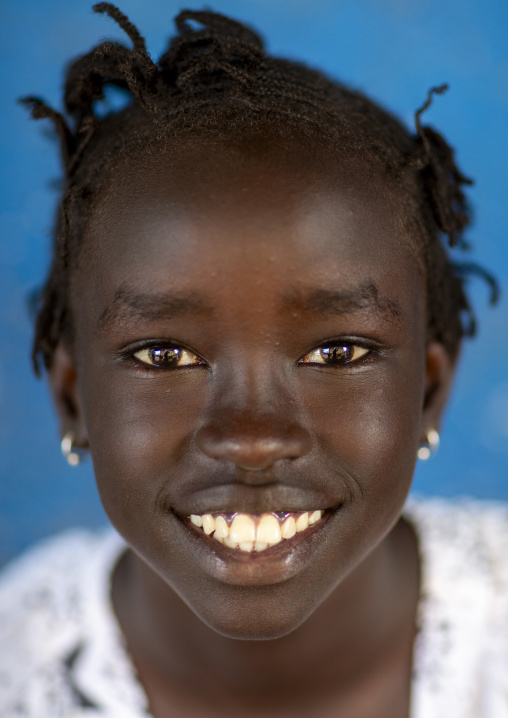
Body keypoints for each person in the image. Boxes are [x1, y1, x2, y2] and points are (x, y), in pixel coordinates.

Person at [0, 3, 505, 716]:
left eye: (337, 351)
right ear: (74, 400)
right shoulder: (19, 673)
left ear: (428, 392)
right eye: (165, 353)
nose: (254, 437)